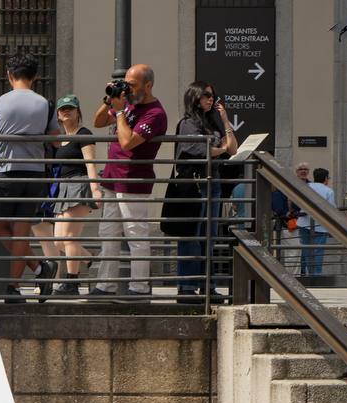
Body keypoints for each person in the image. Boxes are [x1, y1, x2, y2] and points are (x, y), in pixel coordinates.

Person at [0, 52, 59, 301]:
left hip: (7, 171)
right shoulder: (46, 104)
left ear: (9, 75)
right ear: (35, 76)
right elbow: (55, 140)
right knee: (21, 229)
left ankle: (17, 284)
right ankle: (38, 269)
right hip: (35, 172)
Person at [90, 63, 167, 298]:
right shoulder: (128, 105)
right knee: (108, 233)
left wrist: (121, 112)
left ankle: (139, 288)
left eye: (132, 84)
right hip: (113, 178)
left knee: (136, 234)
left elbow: (127, 142)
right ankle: (105, 285)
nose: (129, 89)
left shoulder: (155, 113)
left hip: (133, 181)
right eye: (126, 83)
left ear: (148, 85)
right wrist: (109, 100)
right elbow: (98, 122)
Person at [171, 81, 237, 300]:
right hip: (194, 184)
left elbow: (233, 149)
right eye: (207, 95)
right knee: (191, 235)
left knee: (208, 237)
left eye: (213, 96)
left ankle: (207, 286)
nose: (211, 99)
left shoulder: (212, 124)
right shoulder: (188, 123)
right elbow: (200, 150)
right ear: (195, 97)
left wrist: (225, 120)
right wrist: (221, 149)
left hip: (213, 183)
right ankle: (187, 288)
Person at [32, 94, 101, 297]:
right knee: (59, 241)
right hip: (62, 189)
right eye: (62, 110)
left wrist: (95, 187)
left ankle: (72, 283)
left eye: (70, 108)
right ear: (58, 116)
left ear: (78, 111)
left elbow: (90, 163)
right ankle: (88, 259)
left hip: (78, 185)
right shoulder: (60, 139)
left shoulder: (84, 134)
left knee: (69, 237)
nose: (66, 112)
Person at [296, 167, 335, 277]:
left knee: (307, 250)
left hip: (304, 223)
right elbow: (331, 210)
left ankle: (309, 273)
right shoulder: (328, 191)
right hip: (319, 225)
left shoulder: (306, 187)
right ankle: (316, 274)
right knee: (318, 251)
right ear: (326, 178)